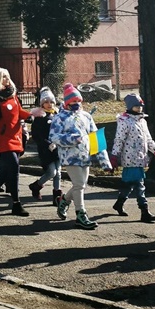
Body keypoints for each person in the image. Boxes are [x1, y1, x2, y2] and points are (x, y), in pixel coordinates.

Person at [49, 83, 100, 230]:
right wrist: (71, 139)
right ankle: (80, 215)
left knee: (80, 185)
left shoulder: (86, 116)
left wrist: (104, 158)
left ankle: (64, 200)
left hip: (85, 156)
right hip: (70, 157)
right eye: (73, 101)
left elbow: (95, 136)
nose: (76, 104)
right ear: (67, 103)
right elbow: (53, 136)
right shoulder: (59, 118)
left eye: (78, 101)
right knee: (79, 185)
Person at [0, 67, 30, 216]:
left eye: (8, 76)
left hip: (15, 136)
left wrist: (29, 116)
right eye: (3, 77)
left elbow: (18, 111)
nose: (7, 80)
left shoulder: (12, 94)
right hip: (1, 138)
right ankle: (16, 203)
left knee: (5, 170)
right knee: (14, 166)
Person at [110, 93, 155, 223]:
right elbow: (119, 140)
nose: (139, 108)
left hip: (140, 158)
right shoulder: (124, 122)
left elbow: (148, 139)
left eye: (141, 106)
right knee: (140, 185)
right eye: (136, 106)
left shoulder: (142, 121)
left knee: (128, 185)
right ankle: (144, 211)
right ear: (130, 107)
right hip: (130, 160)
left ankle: (119, 203)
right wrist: (114, 156)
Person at [28, 87, 63, 205]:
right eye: (46, 102)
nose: (49, 104)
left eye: (51, 102)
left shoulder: (57, 115)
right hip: (46, 150)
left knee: (58, 172)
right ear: (42, 104)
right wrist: (48, 144)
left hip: (58, 148)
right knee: (52, 172)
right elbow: (37, 136)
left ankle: (57, 197)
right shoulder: (39, 117)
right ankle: (36, 186)